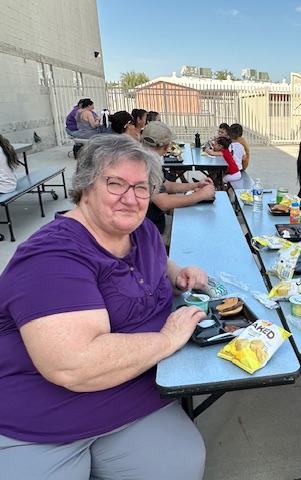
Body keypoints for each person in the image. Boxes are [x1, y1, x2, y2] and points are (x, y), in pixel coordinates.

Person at [0, 134, 208, 480]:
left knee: (183, 464)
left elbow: (157, 261)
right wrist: (168, 339)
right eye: (116, 183)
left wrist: (176, 274)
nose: (131, 198)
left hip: (132, 395)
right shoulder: (51, 257)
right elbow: (73, 366)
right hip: (43, 420)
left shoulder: (142, 233)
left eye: (141, 187)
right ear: (85, 187)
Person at [141, 121, 216, 244]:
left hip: (151, 224)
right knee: (195, 235)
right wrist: (201, 195)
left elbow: (166, 185)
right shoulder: (147, 164)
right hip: (151, 232)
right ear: (166, 146)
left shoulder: (145, 158)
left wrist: (197, 185)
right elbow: (164, 202)